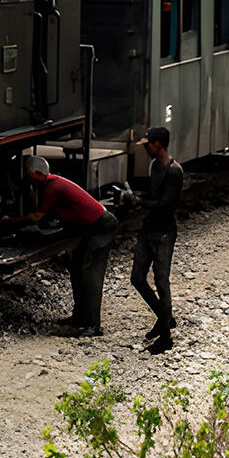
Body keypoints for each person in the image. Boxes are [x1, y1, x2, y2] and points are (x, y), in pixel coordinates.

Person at [25, 157, 117, 338]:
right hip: (89, 228)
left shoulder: (53, 187)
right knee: (76, 268)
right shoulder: (50, 185)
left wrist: (9, 222)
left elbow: (37, 217)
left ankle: (93, 325)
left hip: (101, 227)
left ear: (37, 173)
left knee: (90, 273)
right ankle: (79, 317)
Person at [129, 127, 184, 352]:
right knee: (137, 278)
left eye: (149, 144)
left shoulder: (174, 171)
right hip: (150, 229)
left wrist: (139, 202)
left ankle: (166, 335)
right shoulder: (155, 167)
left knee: (162, 281)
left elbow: (166, 204)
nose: (148, 148)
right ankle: (164, 318)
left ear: (158, 144)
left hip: (163, 232)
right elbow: (155, 198)